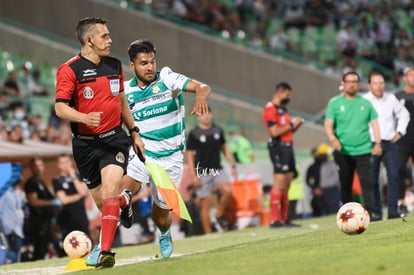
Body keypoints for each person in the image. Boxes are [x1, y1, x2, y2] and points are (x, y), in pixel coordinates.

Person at [101, 39, 210, 259]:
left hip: (170, 158)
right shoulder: (125, 92)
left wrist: (199, 95)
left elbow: (203, 87)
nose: (150, 67)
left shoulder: (167, 78)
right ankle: (120, 212)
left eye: (152, 62)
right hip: (143, 152)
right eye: (144, 63)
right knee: (121, 189)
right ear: (132, 65)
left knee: (159, 215)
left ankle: (164, 232)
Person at [54, 17, 144, 269]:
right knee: (106, 203)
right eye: (104, 36)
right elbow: (60, 107)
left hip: (114, 140)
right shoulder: (70, 70)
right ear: (89, 40)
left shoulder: (115, 65)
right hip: (84, 146)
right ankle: (125, 201)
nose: (110, 40)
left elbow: (122, 102)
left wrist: (134, 131)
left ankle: (104, 251)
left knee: (109, 192)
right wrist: (83, 117)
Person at [324, 71, 382, 221]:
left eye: (355, 81)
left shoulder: (365, 103)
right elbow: (328, 123)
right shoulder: (334, 103)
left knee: (367, 182)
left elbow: (374, 123)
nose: (352, 84)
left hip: (363, 149)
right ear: (343, 84)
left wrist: (377, 143)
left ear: (358, 84)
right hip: (343, 151)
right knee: (346, 183)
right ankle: (347, 214)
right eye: (348, 81)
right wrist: (332, 138)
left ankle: (371, 213)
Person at [363, 71, 410, 219]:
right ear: (369, 85)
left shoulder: (391, 99)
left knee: (394, 176)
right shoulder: (364, 101)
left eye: (381, 82)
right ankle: (376, 212)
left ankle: (392, 211)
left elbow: (404, 114)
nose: (379, 86)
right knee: (373, 178)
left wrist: (400, 131)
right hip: (370, 143)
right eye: (375, 83)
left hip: (390, 143)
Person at [186, 107, 237, 234]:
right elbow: (190, 155)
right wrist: (193, 176)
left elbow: (224, 148)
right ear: (198, 117)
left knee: (228, 190)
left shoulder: (218, 130)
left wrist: (233, 165)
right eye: (203, 114)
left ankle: (219, 215)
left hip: (217, 169)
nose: (206, 116)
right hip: (202, 171)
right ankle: (208, 234)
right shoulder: (194, 133)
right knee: (205, 204)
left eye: (208, 113)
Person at [262, 82, 304, 228]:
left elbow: (286, 131)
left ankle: (285, 219)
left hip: (288, 147)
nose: (289, 97)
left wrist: (295, 126)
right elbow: (274, 132)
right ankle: (274, 220)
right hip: (278, 148)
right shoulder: (270, 109)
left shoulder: (282, 109)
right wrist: (291, 125)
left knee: (286, 184)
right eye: (287, 94)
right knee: (279, 182)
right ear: (280, 92)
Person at [24, 157, 62, 261]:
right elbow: (33, 201)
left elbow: (49, 197)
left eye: (40, 165)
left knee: (45, 247)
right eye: (36, 166)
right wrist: (51, 202)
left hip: (46, 220)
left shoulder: (40, 181)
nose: (38, 168)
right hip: (38, 221)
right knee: (39, 248)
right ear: (32, 168)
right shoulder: (31, 182)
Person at [52, 154, 90, 240]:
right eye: (62, 163)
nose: (65, 165)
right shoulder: (57, 180)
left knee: (85, 242)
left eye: (67, 162)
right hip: (67, 218)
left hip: (82, 217)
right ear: (58, 165)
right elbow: (64, 200)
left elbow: (83, 191)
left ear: (71, 163)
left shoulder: (78, 176)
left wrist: (73, 176)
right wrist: (79, 195)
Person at [395, 67, 414, 217]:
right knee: (399, 170)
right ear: (405, 78)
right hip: (403, 141)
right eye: (411, 75)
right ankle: (401, 203)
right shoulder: (397, 96)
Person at [305, 143, 341, 217]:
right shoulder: (313, 167)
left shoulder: (332, 164)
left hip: (332, 191)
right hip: (319, 192)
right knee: (317, 210)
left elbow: (337, 178)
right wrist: (315, 188)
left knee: (333, 211)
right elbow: (309, 179)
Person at [0, 170, 24, 263]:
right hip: (8, 230)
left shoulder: (15, 192)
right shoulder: (4, 193)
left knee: (16, 257)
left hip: (18, 230)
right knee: (10, 256)